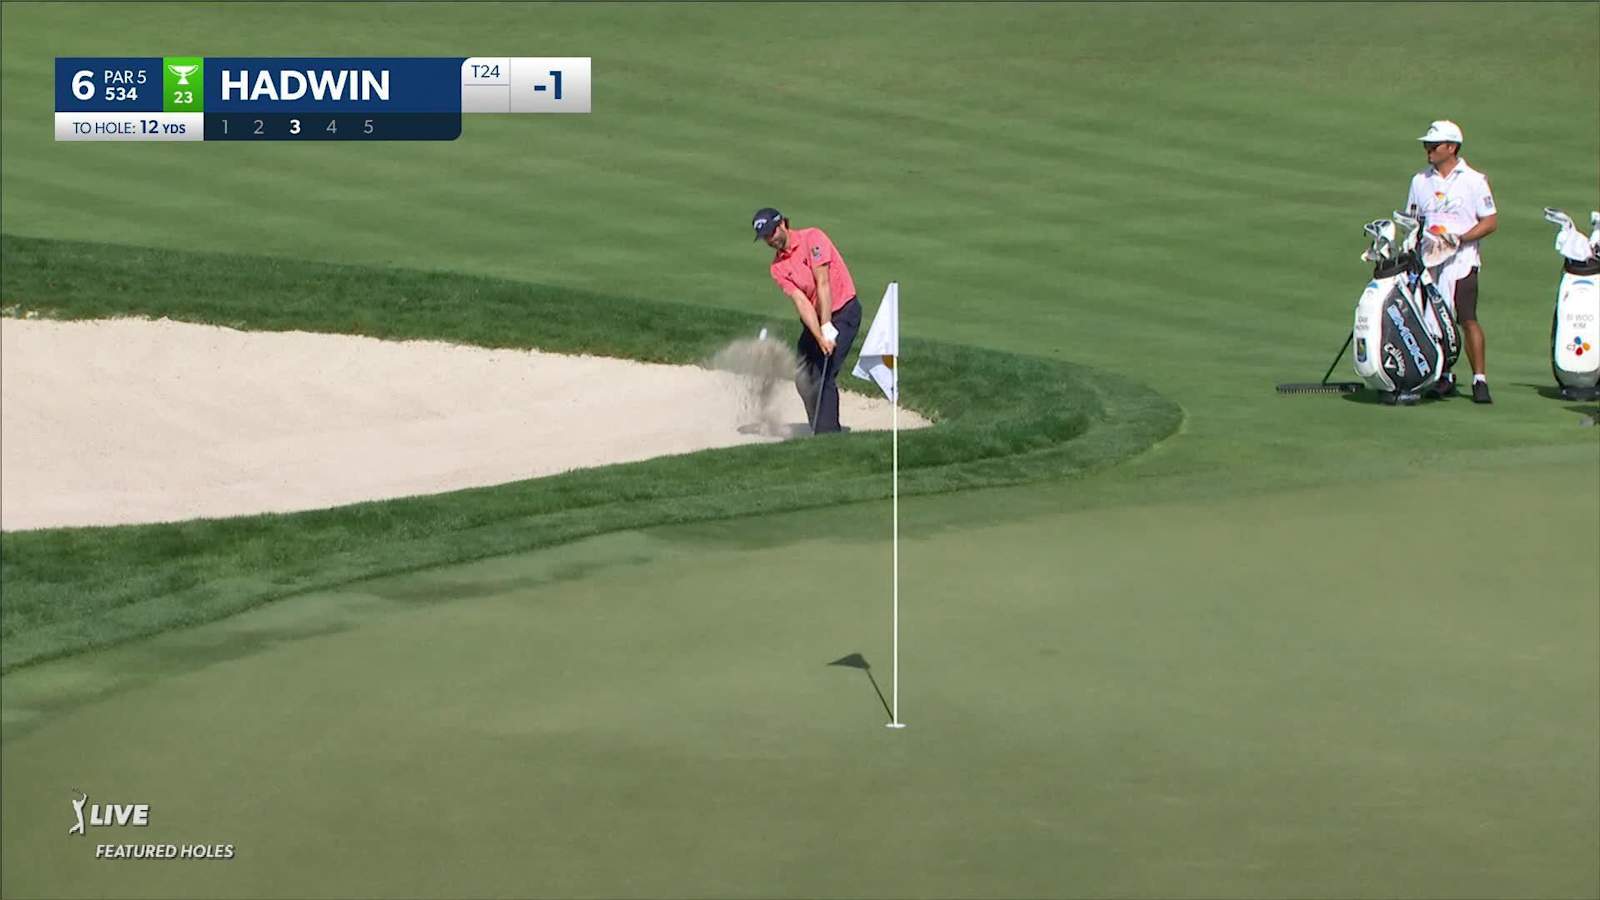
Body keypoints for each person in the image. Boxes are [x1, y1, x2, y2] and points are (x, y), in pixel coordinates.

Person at [1405, 120, 1498, 403]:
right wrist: (1410, 244)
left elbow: (1490, 221)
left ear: (1452, 147)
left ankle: (1479, 380)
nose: (1428, 150)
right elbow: (1411, 220)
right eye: (1426, 145)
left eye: (1434, 146)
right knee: (1431, 320)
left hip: (1462, 260)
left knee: (1466, 318)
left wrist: (1460, 239)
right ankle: (1443, 375)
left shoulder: (1473, 180)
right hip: (1429, 261)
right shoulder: (1420, 181)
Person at [752, 207, 862, 433]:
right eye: (765, 238)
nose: (770, 240)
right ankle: (818, 425)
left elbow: (823, 283)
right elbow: (802, 302)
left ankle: (828, 435)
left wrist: (826, 328)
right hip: (817, 318)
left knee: (823, 374)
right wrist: (818, 335)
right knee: (803, 374)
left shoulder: (813, 238)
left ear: (782, 224)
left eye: (771, 233)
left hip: (843, 312)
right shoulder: (778, 268)